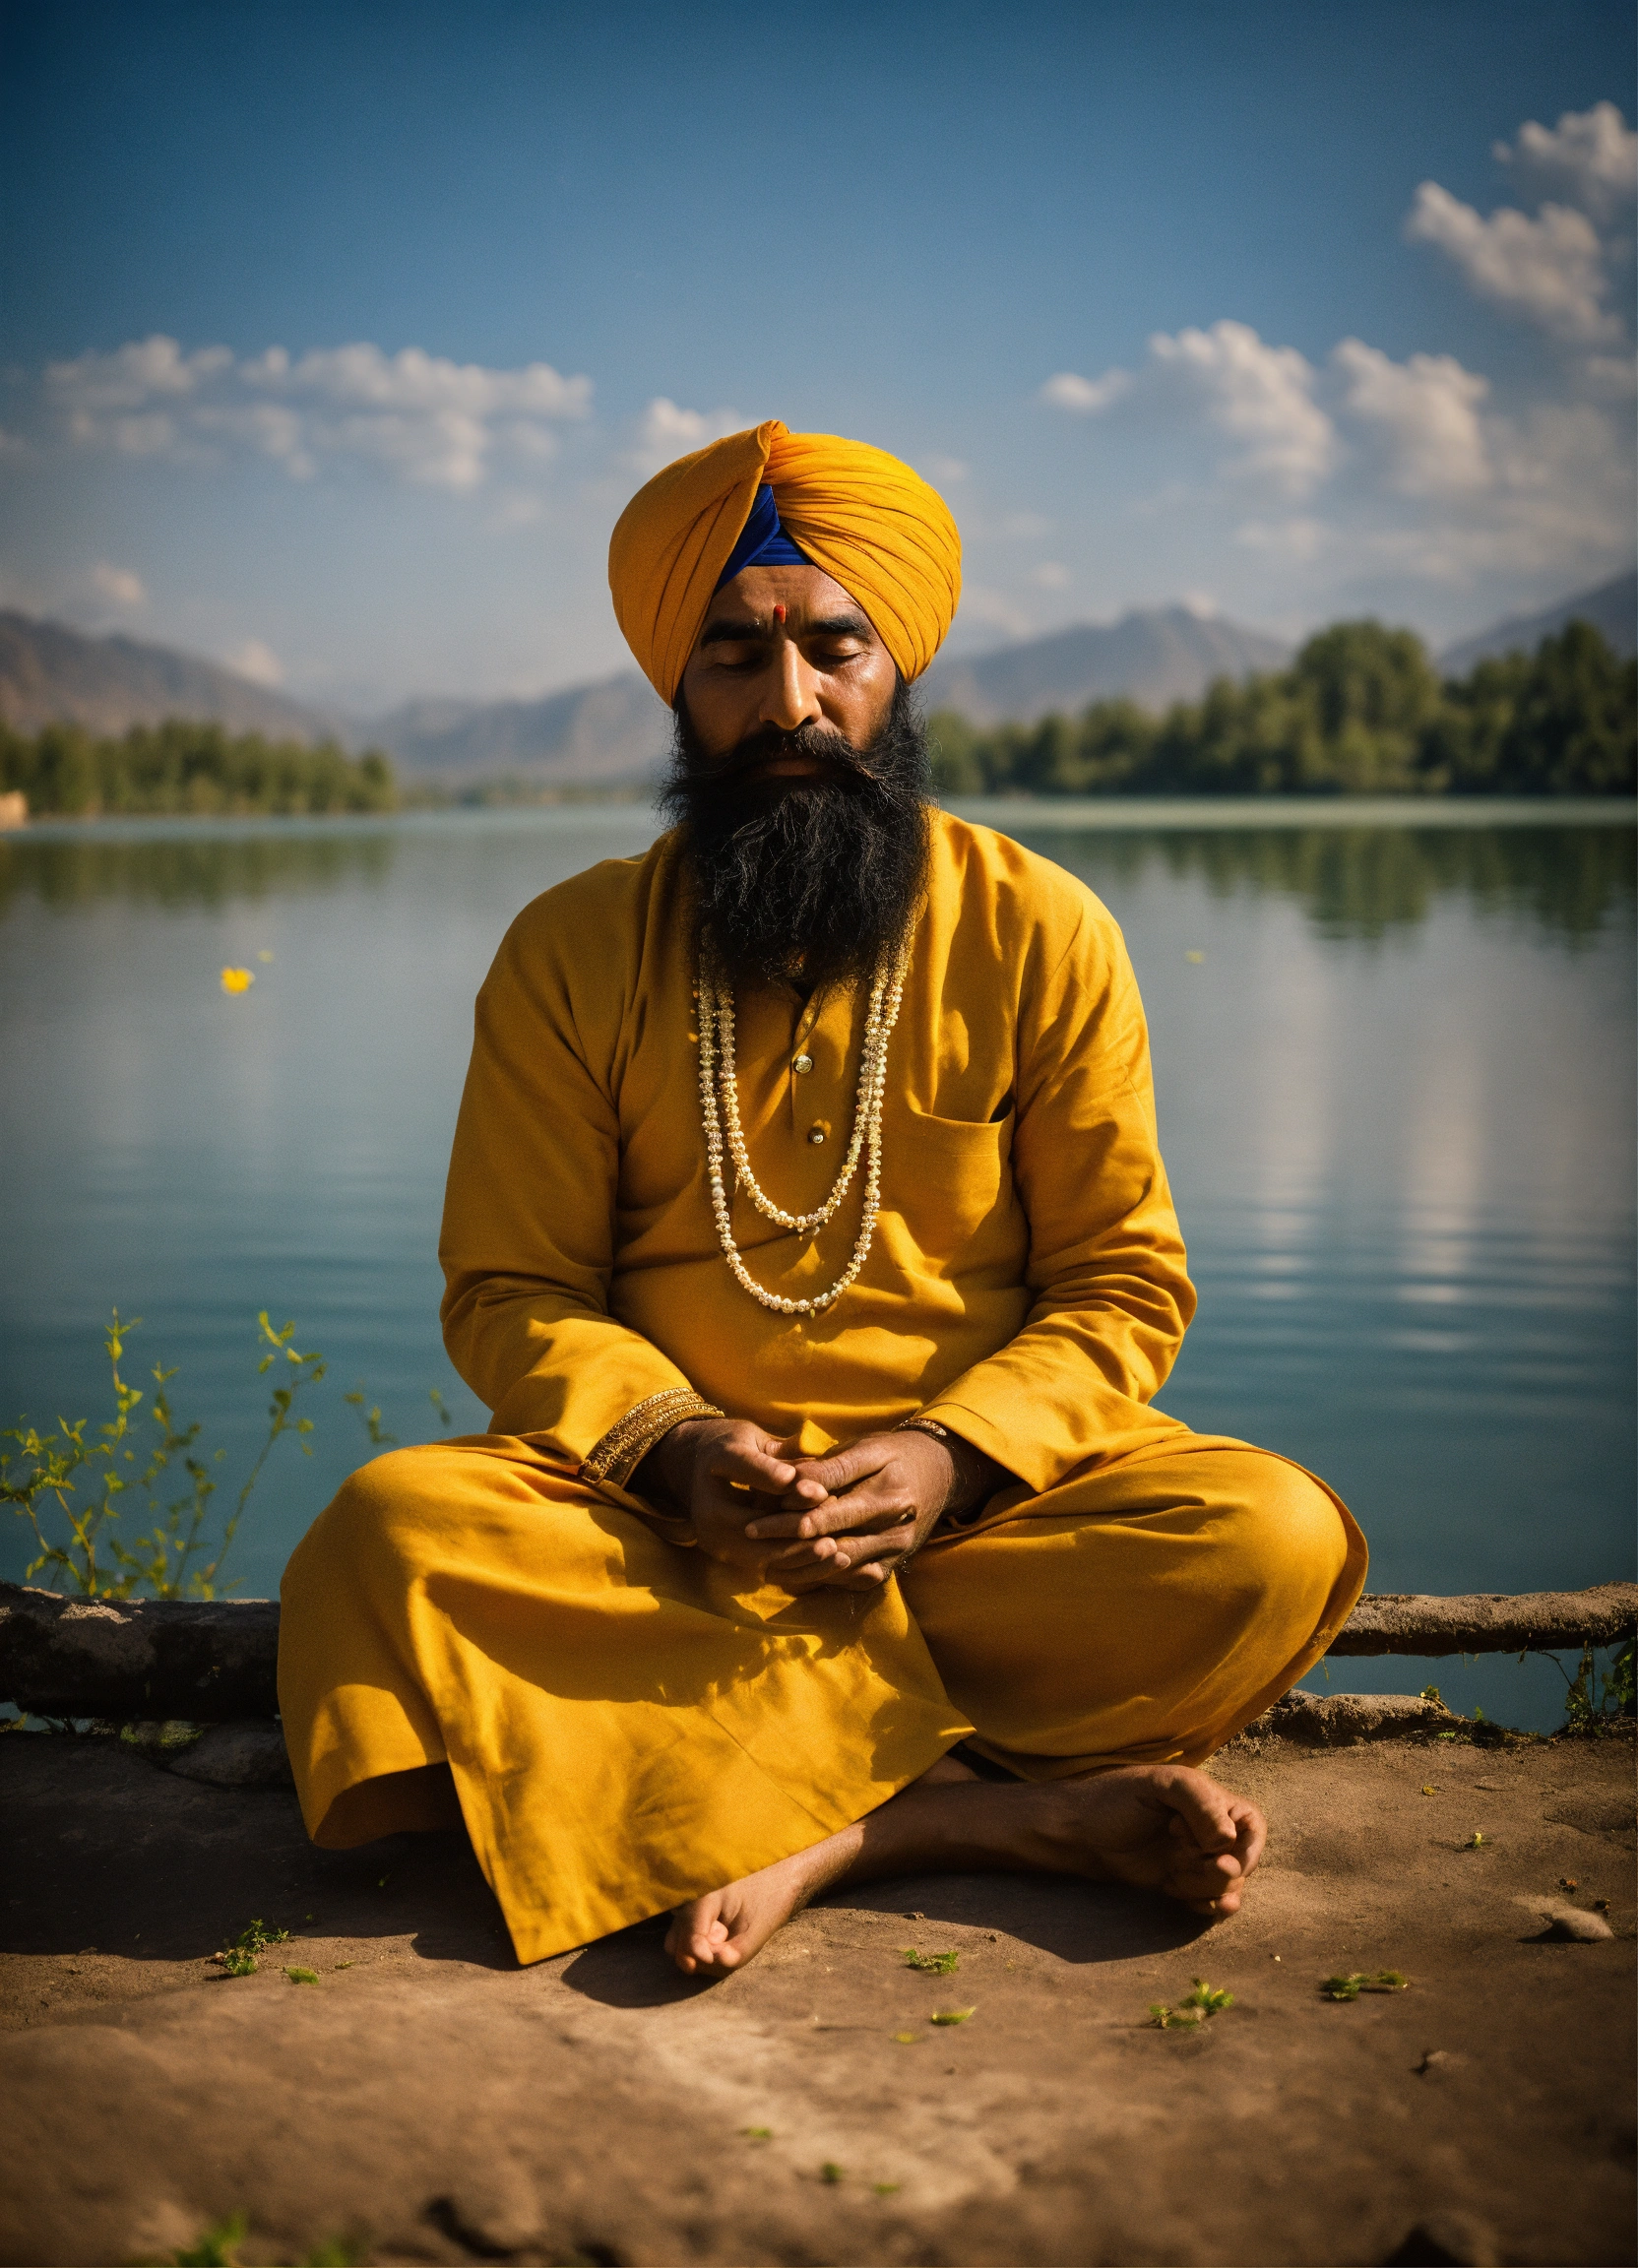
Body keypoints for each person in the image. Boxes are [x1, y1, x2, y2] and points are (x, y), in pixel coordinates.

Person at [279, 420, 1367, 1978]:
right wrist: (673, 1451)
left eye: (831, 650)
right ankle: (962, 1816)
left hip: (973, 1530)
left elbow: (1123, 1290)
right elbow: (509, 1290)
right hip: (670, 1537)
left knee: (1263, 1537)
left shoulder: (1042, 931)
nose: (788, 703)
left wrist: (948, 1458)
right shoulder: (568, 952)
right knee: (386, 1532)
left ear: (895, 670)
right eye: (734, 655)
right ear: (679, 688)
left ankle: (777, 1792)